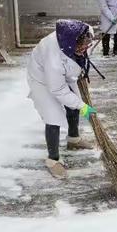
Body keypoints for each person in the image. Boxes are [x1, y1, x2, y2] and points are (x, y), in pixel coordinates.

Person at [27, 19, 97, 178]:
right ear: (72, 44)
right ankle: (53, 160)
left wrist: (79, 103)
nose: (84, 50)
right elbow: (58, 89)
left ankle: (73, 139)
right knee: (53, 116)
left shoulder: (81, 33)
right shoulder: (54, 59)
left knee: (73, 104)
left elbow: (87, 34)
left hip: (63, 74)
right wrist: (83, 106)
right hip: (41, 78)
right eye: (81, 48)